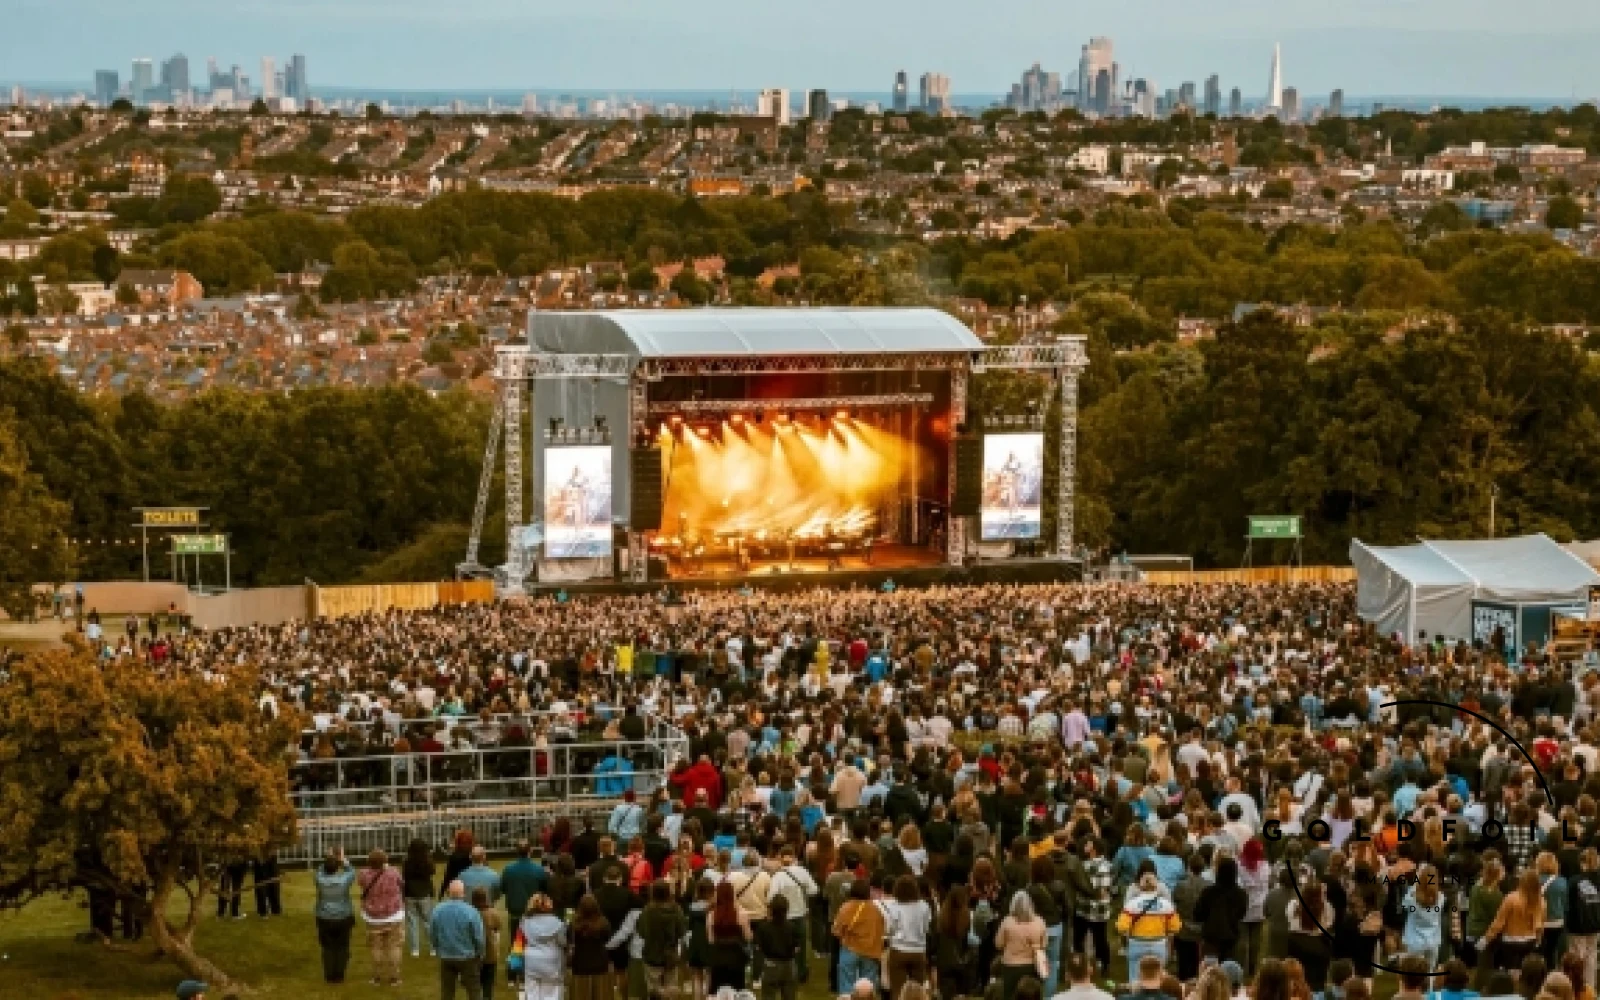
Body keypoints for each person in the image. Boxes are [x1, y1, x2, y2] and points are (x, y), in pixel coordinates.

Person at [1117, 871, 1181, 983]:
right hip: (1158, 944)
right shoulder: (1166, 904)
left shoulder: (1132, 904)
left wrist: (1128, 936)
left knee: (1135, 978)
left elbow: (1121, 926)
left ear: (1140, 886)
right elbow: (1175, 927)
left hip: (1137, 943)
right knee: (1158, 977)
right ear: (1156, 886)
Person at [358, 848, 407, 987]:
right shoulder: (393, 872)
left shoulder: (364, 874)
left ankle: (376, 977)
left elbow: (361, 884)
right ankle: (394, 977)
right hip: (394, 915)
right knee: (394, 946)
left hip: (373, 916)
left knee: (376, 947)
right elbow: (401, 883)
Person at [431, 879, 487, 1000]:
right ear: (463, 893)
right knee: (474, 990)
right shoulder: (471, 912)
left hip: (446, 955)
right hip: (467, 956)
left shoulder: (438, 910)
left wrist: (437, 948)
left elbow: (433, 933)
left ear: (448, 893)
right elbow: (478, 937)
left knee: (447, 991)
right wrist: (480, 953)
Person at [637, 879, 689, 998]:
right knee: (670, 990)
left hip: (652, 953)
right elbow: (682, 931)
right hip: (671, 955)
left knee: (654, 991)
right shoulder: (676, 909)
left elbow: (641, 932)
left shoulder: (648, 910)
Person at [884, 874, 932, 999]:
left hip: (898, 950)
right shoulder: (924, 906)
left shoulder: (893, 906)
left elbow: (889, 929)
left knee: (898, 990)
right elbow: (926, 928)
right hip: (918, 951)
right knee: (918, 990)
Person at [995, 887, 1048, 1000]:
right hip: (1033, 966)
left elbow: (998, 944)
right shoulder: (1039, 921)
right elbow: (1044, 944)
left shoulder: (1007, 922)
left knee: (1009, 995)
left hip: (1011, 966)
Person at [314, 846, 357, 984]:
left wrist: (328, 858)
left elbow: (319, 870)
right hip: (343, 916)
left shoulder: (320, 879)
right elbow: (351, 871)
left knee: (327, 947)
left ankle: (329, 975)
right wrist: (342, 859)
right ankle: (339, 975)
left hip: (324, 917)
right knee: (342, 946)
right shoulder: (344, 880)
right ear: (337, 868)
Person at [707, 879, 753, 994]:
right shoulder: (741, 914)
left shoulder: (711, 915)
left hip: (718, 958)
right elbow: (748, 937)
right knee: (737, 991)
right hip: (736, 958)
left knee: (717, 992)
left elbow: (711, 940)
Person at [520, 893, 568, 1000]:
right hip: (551, 961)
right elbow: (563, 942)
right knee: (550, 994)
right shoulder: (557, 923)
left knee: (531, 994)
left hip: (531, 960)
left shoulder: (525, 921)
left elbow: (522, 939)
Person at [569, 894, 616, 1000]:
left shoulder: (574, 924)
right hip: (600, 964)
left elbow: (570, 940)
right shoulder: (604, 923)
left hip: (580, 964)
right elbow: (608, 939)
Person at [755, 894, 801, 1000]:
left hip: (771, 964)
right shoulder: (792, 927)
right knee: (789, 996)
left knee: (768, 995)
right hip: (788, 965)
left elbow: (758, 947)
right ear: (787, 909)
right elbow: (797, 948)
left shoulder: (763, 928)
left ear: (771, 910)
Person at [502, 840, 549, 930]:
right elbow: (544, 891)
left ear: (517, 851)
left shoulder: (508, 869)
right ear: (530, 851)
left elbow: (504, 889)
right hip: (533, 912)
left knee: (516, 937)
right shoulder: (539, 870)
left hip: (515, 911)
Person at [404, 838, 438, 959]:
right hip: (424, 893)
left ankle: (415, 950)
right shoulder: (427, 861)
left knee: (412, 922)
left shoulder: (407, 862)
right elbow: (433, 872)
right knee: (428, 922)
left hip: (410, 893)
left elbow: (404, 876)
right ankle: (433, 948)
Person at [472, 886, 504, 1000]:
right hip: (490, 954)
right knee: (488, 985)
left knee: (475, 984)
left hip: (474, 955)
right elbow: (497, 931)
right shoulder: (493, 913)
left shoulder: (470, 913)